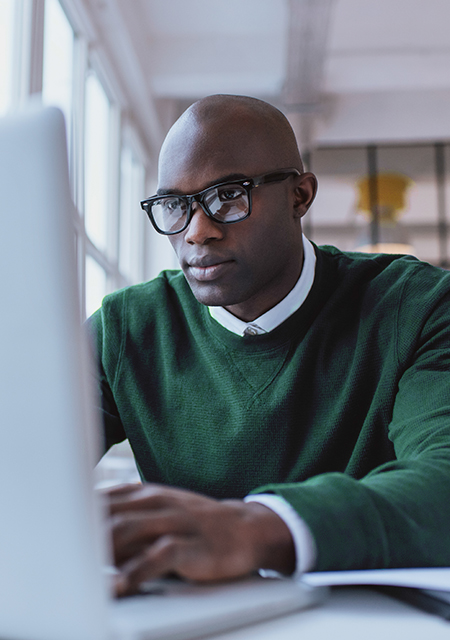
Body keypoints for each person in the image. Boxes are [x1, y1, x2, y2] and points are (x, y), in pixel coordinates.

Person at [88, 94, 450, 597]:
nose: (197, 232)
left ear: (300, 197)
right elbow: (22, 462)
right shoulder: (124, 330)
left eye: (228, 196)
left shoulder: (417, 307)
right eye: (175, 205)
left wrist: (258, 529)